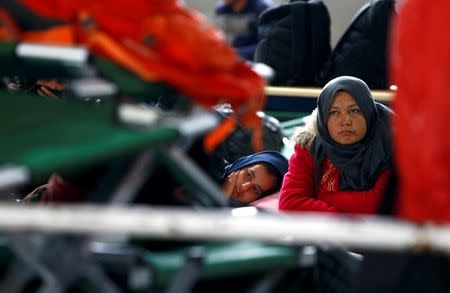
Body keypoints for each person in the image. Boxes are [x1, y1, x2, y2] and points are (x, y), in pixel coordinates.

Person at [279, 76, 393, 214]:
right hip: (324, 233)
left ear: (368, 112)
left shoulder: (389, 144)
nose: (345, 121)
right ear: (324, 119)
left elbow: (377, 204)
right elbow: (289, 203)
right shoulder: (309, 146)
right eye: (334, 113)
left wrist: (323, 196)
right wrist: (339, 219)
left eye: (354, 110)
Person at [221, 150, 288, 203]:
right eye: (248, 175)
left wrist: (222, 199)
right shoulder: (212, 166)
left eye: (255, 190)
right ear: (242, 164)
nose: (244, 187)